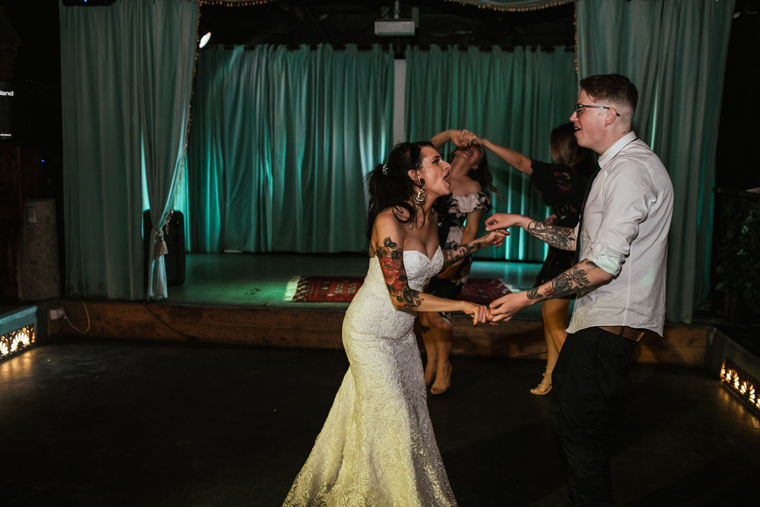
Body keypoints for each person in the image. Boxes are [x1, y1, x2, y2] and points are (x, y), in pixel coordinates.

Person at [283, 142, 506, 506]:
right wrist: (462, 304)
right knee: (395, 418)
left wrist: (477, 243)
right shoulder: (389, 221)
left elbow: (437, 262)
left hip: (401, 336)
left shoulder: (431, 217)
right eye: (437, 161)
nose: (448, 166)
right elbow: (401, 296)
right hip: (369, 333)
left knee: (406, 418)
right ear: (416, 176)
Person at [485, 74, 674, 506]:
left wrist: (527, 298)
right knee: (569, 418)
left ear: (608, 114)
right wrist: (522, 222)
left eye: (581, 107)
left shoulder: (630, 173)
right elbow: (583, 243)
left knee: (581, 430)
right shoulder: (616, 168)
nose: (573, 117)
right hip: (594, 322)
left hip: (608, 325)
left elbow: (603, 266)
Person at [461, 124, 591, 395]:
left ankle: (581, 379)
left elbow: (521, 163)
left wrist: (484, 140)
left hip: (568, 252)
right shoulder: (588, 173)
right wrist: (558, 220)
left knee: (555, 322)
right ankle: (552, 377)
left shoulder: (565, 172)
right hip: (573, 248)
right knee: (550, 318)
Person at [418, 129, 499, 395]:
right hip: (424, 249)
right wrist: (451, 133)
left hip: (453, 253)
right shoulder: (435, 172)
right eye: (467, 144)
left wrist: (458, 261)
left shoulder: (474, 189)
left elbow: (471, 231)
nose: (470, 147)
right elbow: (422, 149)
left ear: (477, 164)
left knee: (438, 314)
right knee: (423, 315)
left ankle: (444, 366)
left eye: (477, 148)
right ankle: (430, 363)